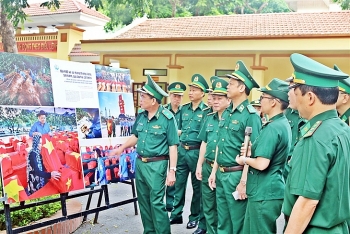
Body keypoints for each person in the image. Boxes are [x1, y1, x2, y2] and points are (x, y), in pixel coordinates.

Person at [282, 53, 350, 233]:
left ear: (310, 97)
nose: (291, 95)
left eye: (295, 91)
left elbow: (307, 202)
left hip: (315, 228)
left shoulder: (316, 137)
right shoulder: (342, 129)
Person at [110, 75, 178, 234]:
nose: (140, 99)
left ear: (153, 100)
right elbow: (136, 136)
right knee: (144, 202)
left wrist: (172, 171)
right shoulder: (141, 115)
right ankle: (149, 231)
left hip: (157, 165)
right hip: (140, 163)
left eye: (143, 97)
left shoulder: (167, 118)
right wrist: (121, 148)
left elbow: (173, 146)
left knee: (156, 202)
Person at [208, 60, 261, 234]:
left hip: (237, 174)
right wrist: (214, 172)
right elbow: (220, 145)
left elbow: (253, 153)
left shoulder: (250, 115)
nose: (227, 87)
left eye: (231, 84)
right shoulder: (227, 113)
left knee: (238, 223)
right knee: (223, 223)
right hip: (222, 174)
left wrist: (244, 182)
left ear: (241, 88)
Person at [236, 78, 291, 233]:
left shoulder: (273, 127)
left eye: (263, 98)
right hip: (267, 190)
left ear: (274, 102)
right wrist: (252, 150)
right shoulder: (280, 123)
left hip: (265, 192)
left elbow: (262, 164)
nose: (260, 101)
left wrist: (244, 159)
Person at [170, 74, 209, 234]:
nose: (191, 92)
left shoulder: (207, 111)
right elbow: (176, 129)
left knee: (197, 187)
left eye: (194, 90)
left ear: (202, 93)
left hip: (196, 151)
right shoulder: (183, 109)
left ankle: (194, 217)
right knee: (178, 184)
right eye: (190, 90)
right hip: (181, 150)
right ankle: (176, 213)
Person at [196, 78, 231, 234]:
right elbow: (204, 142)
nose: (215, 102)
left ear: (228, 99)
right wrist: (199, 164)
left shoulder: (232, 118)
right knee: (208, 206)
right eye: (214, 98)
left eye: (219, 98)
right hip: (207, 165)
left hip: (223, 168)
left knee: (223, 209)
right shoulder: (209, 117)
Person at [164, 81, 186, 212]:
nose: (177, 99)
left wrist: (175, 132)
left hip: (181, 149)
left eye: (179, 96)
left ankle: (175, 204)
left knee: (177, 176)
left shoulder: (185, 111)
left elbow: (187, 131)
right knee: (166, 175)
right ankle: (168, 202)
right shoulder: (164, 111)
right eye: (174, 95)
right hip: (165, 148)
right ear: (169, 95)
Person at [282, 76, 306, 181]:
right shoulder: (287, 112)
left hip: (298, 168)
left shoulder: (309, 116)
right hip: (285, 166)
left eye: (292, 88)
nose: (288, 93)